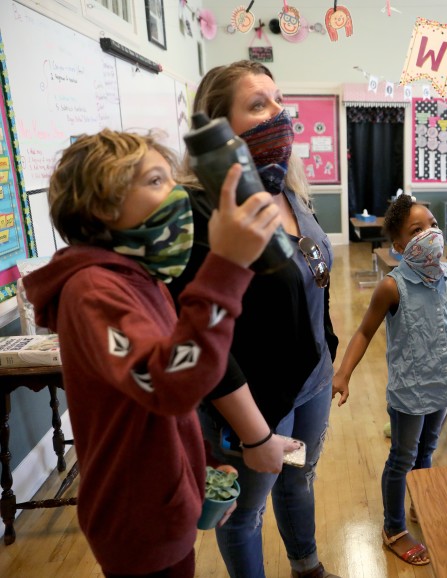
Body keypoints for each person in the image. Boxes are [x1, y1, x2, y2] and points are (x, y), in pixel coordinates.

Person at [23, 129, 286, 577]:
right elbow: (169, 384)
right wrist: (227, 267)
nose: (176, 193)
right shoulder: (93, 292)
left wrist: (202, 468)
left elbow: (164, 403)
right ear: (102, 205)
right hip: (136, 521)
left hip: (163, 502)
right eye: (156, 181)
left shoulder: (142, 278)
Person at [168, 60, 342, 578]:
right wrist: (254, 435)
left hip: (311, 376)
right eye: (257, 105)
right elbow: (197, 337)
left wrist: (328, 350)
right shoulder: (197, 211)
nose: (278, 115)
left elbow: (314, 279)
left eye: (279, 100)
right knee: (245, 513)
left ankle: (306, 566)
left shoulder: (286, 188)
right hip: (252, 399)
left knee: (300, 479)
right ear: (216, 128)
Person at [332, 194, 447, 566]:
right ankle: (394, 528)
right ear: (399, 245)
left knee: (428, 449)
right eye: (418, 230)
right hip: (411, 389)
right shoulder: (391, 286)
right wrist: (344, 372)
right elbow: (365, 332)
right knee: (402, 456)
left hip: (445, 380)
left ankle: (423, 496)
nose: (430, 233)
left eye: (432, 224)